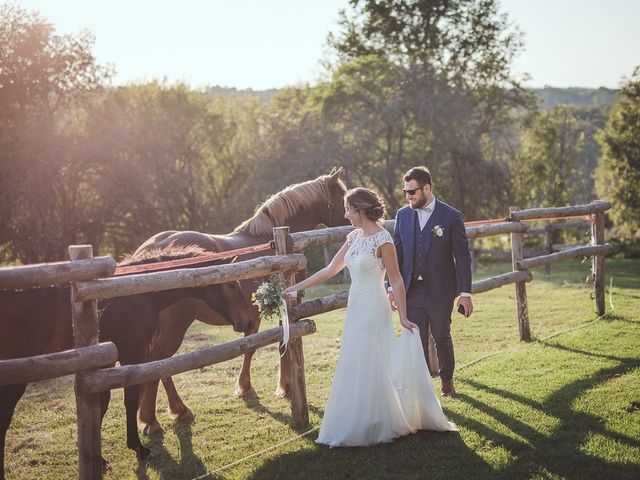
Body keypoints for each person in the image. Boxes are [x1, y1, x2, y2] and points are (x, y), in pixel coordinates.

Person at [284, 187, 457, 447]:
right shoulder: (353, 236)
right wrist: (297, 287)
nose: (345, 214)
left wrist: (404, 317)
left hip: (374, 308)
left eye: (348, 209)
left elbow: (396, 280)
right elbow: (331, 269)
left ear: (361, 210)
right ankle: (362, 419)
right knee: (354, 360)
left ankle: (379, 421)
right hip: (356, 308)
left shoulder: (383, 239)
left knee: (370, 360)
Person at [388, 166, 473, 398]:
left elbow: (462, 258)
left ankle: (447, 381)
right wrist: (390, 287)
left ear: (427, 188)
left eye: (412, 191)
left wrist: (466, 293)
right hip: (412, 290)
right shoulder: (402, 215)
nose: (408, 197)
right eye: (406, 192)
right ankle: (423, 387)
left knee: (441, 337)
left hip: (440, 290)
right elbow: (396, 254)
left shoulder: (451, 216)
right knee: (417, 339)